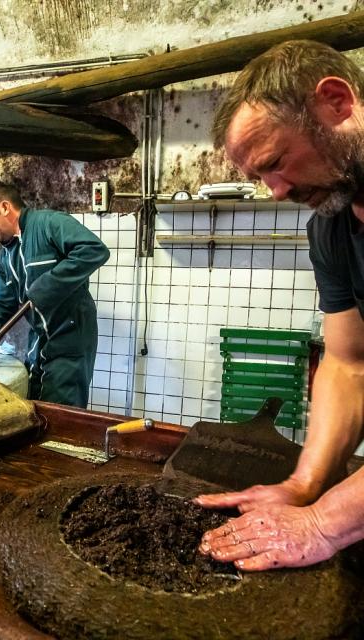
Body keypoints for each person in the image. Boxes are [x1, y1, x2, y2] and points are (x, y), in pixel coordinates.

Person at [195, 39, 364, 572]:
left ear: (336, 102)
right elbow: (348, 362)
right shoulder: (332, 229)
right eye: (257, 178)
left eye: (275, 162)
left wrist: (323, 521)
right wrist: (305, 483)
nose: (273, 191)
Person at [0, 183, 109, 408]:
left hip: (70, 337)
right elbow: (0, 302)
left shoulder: (49, 223)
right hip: (39, 342)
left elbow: (94, 250)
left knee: (60, 411)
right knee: (35, 404)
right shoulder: (5, 256)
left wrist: (45, 286)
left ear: (4, 207)